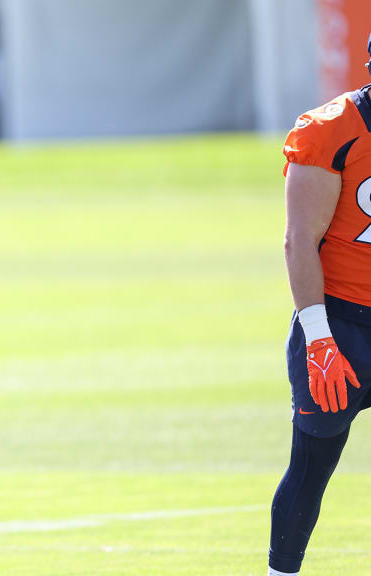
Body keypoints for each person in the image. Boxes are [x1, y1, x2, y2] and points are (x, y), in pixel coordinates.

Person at [268, 33, 371, 576]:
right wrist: (319, 335)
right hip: (342, 323)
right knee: (312, 463)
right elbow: (298, 239)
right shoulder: (330, 130)